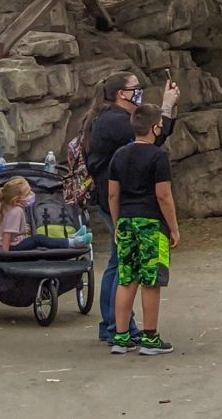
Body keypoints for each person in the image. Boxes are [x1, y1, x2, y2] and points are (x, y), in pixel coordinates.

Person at [83, 71, 179, 344]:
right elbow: (153, 138)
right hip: (133, 210)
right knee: (133, 271)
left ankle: (116, 327)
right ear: (120, 94)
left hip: (118, 205)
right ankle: (120, 327)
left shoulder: (112, 120)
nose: (140, 91)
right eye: (136, 88)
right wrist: (167, 107)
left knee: (120, 265)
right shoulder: (115, 122)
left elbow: (155, 132)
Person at [108, 103, 179, 356]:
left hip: (126, 221)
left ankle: (121, 336)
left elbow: (113, 193)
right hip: (151, 224)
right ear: (154, 128)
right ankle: (150, 338)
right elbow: (163, 195)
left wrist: (117, 223)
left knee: (127, 278)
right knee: (151, 281)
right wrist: (173, 227)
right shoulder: (158, 157)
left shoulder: (119, 155)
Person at [0, 177, 92, 252]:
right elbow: (7, 235)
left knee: (40, 238)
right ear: (16, 201)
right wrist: (5, 255)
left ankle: (71, 237)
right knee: (38, 239)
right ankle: (72, 242)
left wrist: (23, 228)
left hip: (14, 244)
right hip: (11, 247)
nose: (32, 194)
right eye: (28, 193)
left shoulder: (11, 208)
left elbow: (9, 228)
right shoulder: (16, 211)